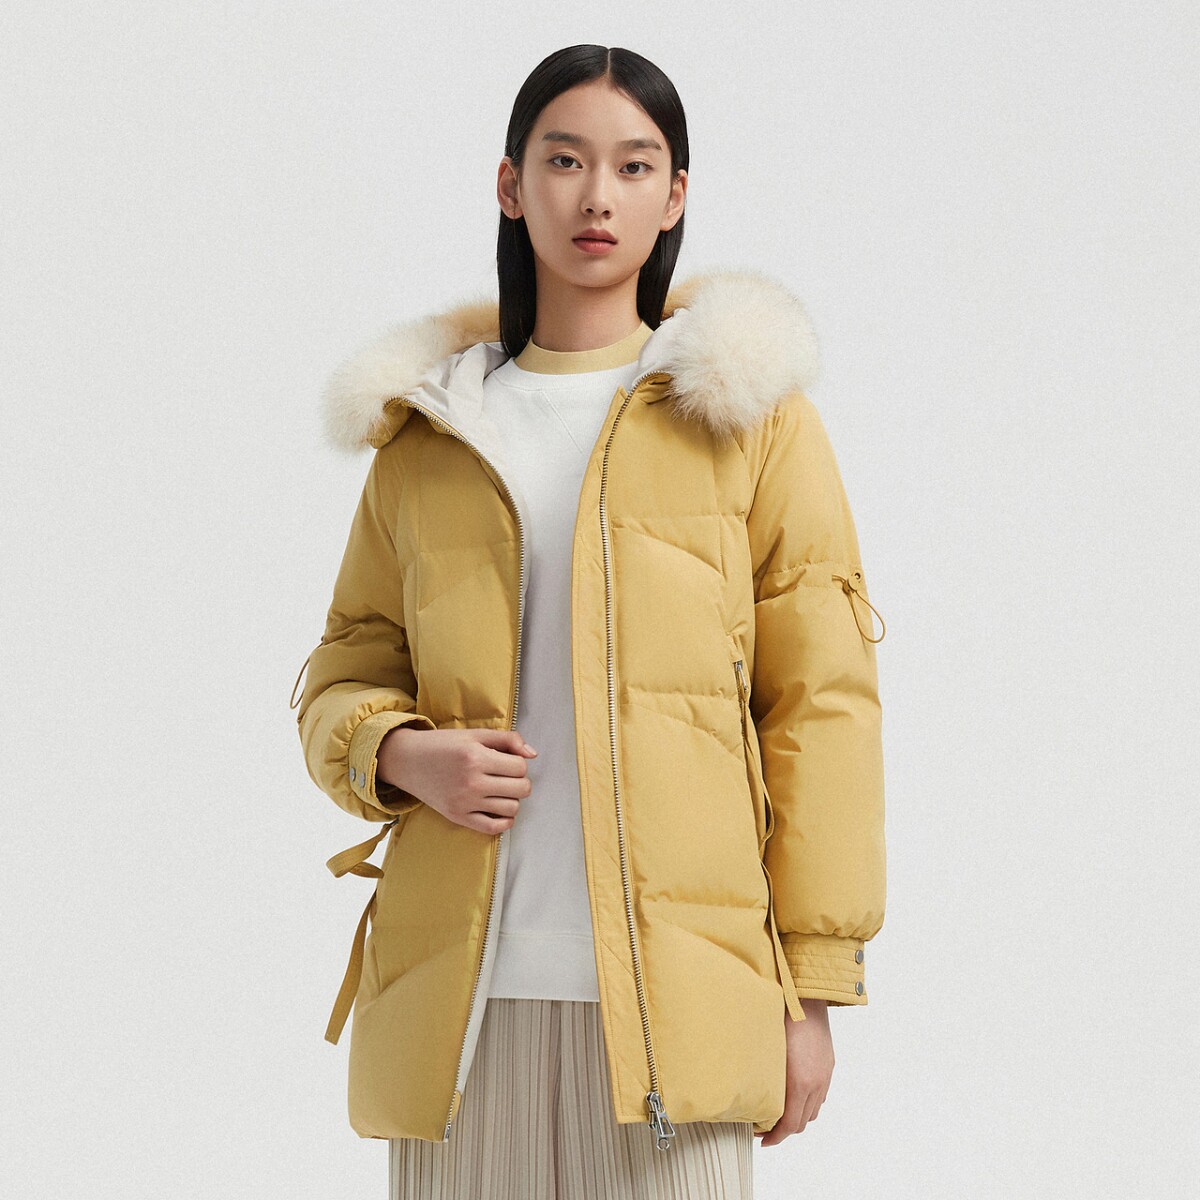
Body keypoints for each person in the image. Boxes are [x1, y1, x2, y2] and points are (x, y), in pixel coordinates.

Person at [292, 43, 887, 1200]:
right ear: (511, 185)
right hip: (461, 1006)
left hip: (682, 1007)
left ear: (675, 197)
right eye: (564, 161)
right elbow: (342, 671)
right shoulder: (434, 431)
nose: (597, 196)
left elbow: (822, 709)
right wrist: (403, 753)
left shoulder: (747, 419)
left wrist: (813, 989)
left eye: (634, 165)